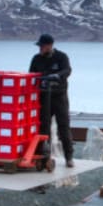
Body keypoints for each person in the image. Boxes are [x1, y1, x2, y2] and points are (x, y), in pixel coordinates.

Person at [29, 33, 74, 167]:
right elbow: (31, 74)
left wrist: (57, 76)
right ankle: (44, 157)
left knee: (63, 126)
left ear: (49, 46)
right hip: (43, 97)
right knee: (44, 127)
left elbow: (67, 70)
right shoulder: (36, 59)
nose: (40, 49)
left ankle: (69, 157)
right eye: (39, 46)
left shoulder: (61, 57)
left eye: (42, 46)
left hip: (59, 97)